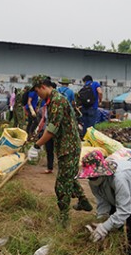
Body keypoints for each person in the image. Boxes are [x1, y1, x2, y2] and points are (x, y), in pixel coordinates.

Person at [28, 75, 93, 226]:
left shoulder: (57, 101)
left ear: (43, 86)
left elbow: (51, 130)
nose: (37, 95)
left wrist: (37, 146)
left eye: (37, 91)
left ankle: (64, 219)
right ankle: (83, 201)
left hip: (69, 147)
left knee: (61, 185)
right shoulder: (52, 100)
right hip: (65, 146)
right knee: (68, 177)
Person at [77, 150, 131, 255]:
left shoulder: (119, 179)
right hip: (127, 186)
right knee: (112, 214)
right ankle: (115, 246)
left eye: (94, 176)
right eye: (90, 177)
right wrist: (101, 220)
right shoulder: (94, 182)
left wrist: (104, 227)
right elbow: (103, 202)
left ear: (102, 171)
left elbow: (124, 211)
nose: (92, 179)